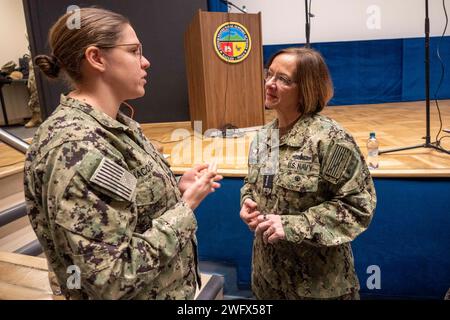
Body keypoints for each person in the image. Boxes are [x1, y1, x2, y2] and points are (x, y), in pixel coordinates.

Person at [24, 7, 222, 300]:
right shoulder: (76, 147)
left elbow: (127, 211)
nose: (146, 62)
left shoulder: (114, 125)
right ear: (96, 58)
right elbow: (112, 279)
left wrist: (176, 193)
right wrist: (185, 208)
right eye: (133, 51)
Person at [240, 47, 376, 300]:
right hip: (268, 281)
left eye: (283, 79)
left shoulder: (331, 140)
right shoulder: (263, 137)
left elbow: (357, 206)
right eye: (269, 75)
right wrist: (247, 202)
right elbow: (253, 183)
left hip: (318, 287)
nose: (270, 84)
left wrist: (292, 226)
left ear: (306, 89)